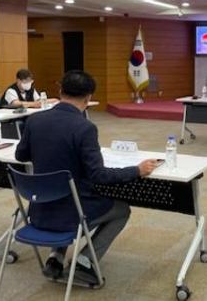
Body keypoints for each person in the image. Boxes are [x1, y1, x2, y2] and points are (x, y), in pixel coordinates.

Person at [15, 70, 159, 284]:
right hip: (72, 214)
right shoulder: (84, 128)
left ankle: (56, 257)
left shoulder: (35, 120)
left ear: (60, 91)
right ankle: (85, 261)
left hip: (39, 211)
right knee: (121, 210)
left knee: (63, 192)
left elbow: (21, 155)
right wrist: (137, 170)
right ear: (88, 98)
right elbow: (98, 175)